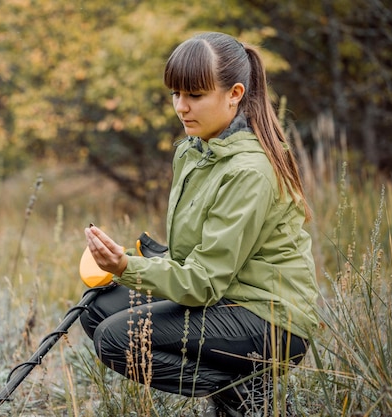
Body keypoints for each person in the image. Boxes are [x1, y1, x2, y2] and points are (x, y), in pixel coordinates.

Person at [80, 32, 319, 416]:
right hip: (223, 295)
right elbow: (197, 258)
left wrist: (128, 268)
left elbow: (205, 282)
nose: (181, 107)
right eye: (176, 94)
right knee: (98, 308)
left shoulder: (249, 171)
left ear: (235, 93)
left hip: (270, 319)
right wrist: (140, 261)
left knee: (117, 339)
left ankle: (247, 394)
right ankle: (239, 395)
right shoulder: (192, 152)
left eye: (195, 95)